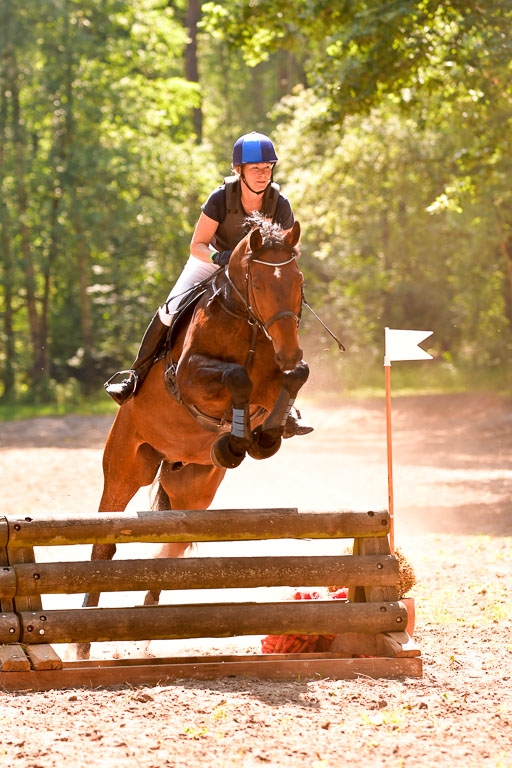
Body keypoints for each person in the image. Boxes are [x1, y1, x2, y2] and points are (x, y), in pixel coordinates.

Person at [105, 131, 312, 436]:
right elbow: (197, 245)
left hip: (253, 272)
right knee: (171, 307)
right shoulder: (220, 199)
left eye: (267, 168)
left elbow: (282, 250)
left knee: (279, 311)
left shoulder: (279, 203)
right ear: (238, 170)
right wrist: (221, 258)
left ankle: (284, 405)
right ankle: (136, 374)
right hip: (211, 260)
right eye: (255, 168)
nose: (262, 174)